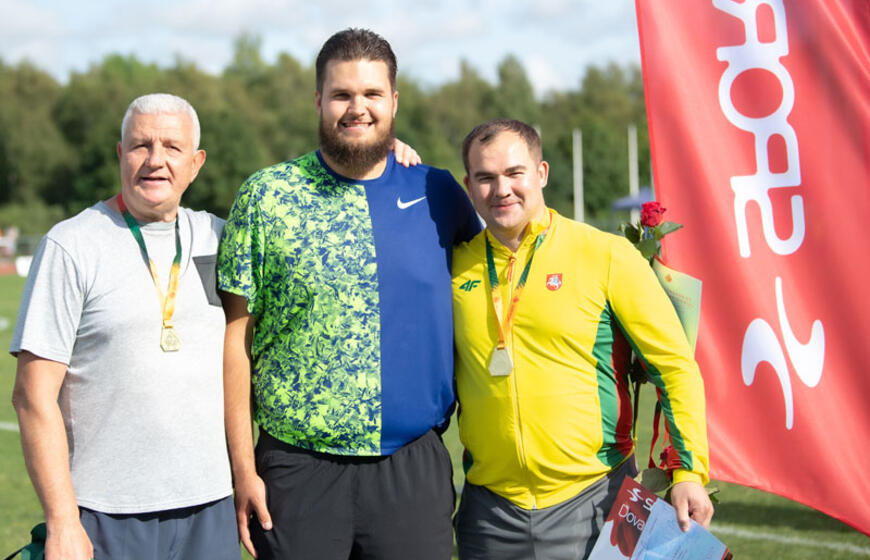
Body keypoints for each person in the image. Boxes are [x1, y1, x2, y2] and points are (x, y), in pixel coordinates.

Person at [217, 28, 481, 560]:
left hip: (412, 467)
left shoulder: (436, 190)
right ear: (318, 100)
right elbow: (236, 338)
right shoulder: (267, 196)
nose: (356, 108)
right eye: (341, 94)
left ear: (394, 102)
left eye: (371, 95)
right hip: (296, 471)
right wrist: (243, 470)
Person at [451, 119, 714, 559]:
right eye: (486, 178)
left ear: (542, 173)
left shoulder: (606, 254)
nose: (502, 189)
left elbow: (675, 367)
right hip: (489, 513)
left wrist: (688, 472)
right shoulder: (455, 266)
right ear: (469, 184)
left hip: (594, 502)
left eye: (515, 173)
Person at [10, 93, 240, 560]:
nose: (155, 160)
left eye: (172, 148)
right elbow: (33, 396)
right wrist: (61, 521)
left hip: (211, 508)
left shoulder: (222, 238)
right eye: (140, 145)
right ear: (120, 154)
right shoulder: (72, 245)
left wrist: (379, 157)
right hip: (105, 514)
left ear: (196, 163)